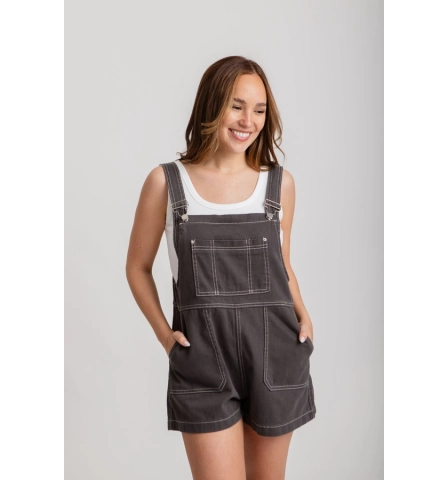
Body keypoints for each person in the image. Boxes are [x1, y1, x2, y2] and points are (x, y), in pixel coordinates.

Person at [126, 55, 316, 480]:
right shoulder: (166, 183)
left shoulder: (279, 184)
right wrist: (166, 338)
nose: (248, 120)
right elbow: (137, 267)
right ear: (211, 105)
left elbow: (283, 266)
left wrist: (304, 315)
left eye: (259, 110)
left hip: (276, 356)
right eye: (237, 105)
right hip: (203, 362)